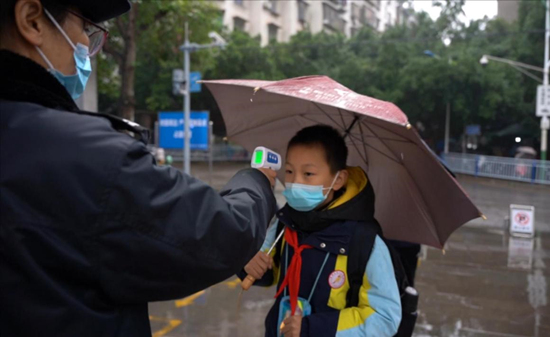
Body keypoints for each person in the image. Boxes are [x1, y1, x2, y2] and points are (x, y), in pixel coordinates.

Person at [0, 0, 277, 336]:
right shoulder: (88, 155)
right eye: (85, 29)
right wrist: (257, 180)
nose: (89, 47)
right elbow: (218, 236)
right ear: (32, 20)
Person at [241, 125, 401, 337]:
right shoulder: (284, 222)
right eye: (289, 171)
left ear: (339, 180)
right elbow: (268, 273)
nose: (296, 182)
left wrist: (311, 329)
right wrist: (249, 262)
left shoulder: (365, 241)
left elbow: (384, 318)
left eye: (308, 174)